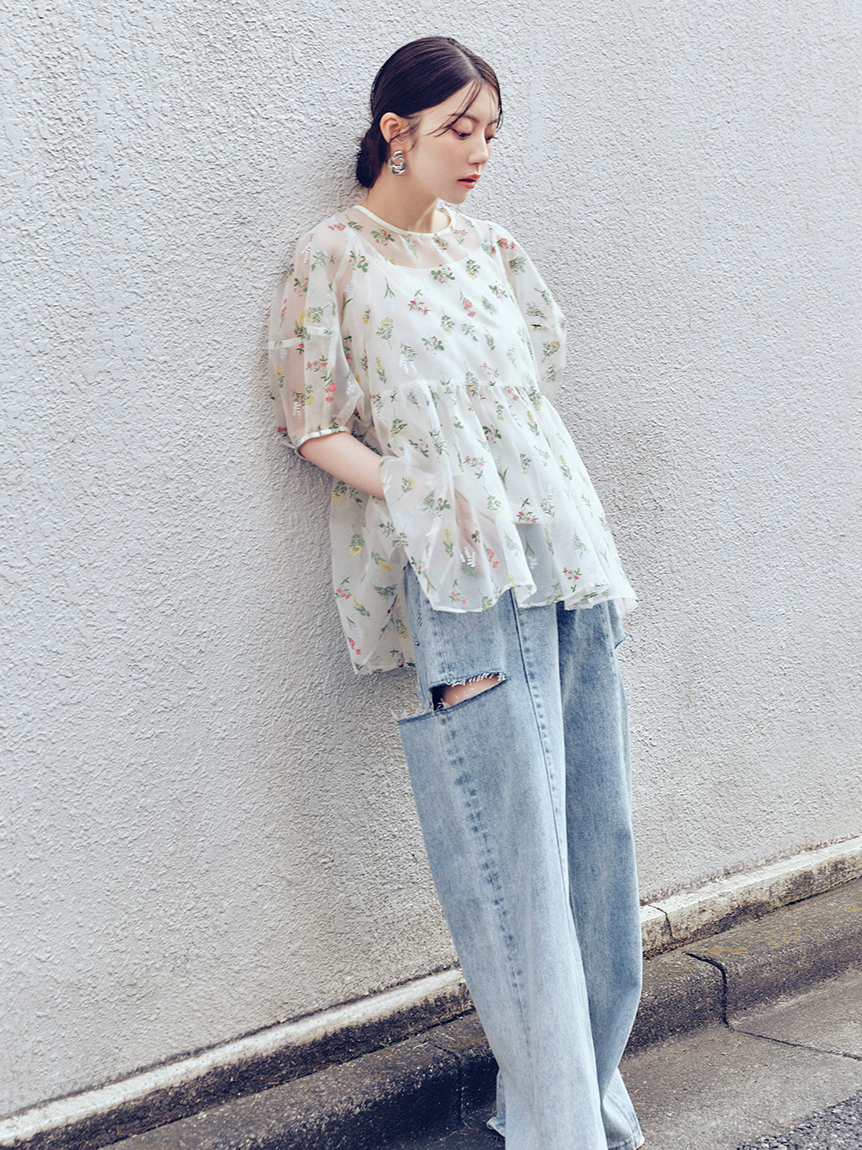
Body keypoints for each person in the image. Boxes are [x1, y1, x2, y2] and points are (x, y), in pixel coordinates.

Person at [268, 36, 644, 1150]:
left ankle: (581, 1107)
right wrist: (423, 492)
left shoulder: (494, 248)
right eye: (458, 129)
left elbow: (535, 384)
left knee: (596, 846)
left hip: (566, 555)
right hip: (462, 577)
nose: (479, 151)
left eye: (490, 132)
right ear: (397, 132)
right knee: (513, 861)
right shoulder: (332, 256)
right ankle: (560, 1132)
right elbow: (311, 424)